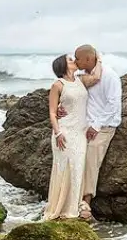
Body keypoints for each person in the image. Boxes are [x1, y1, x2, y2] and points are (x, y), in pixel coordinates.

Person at [58, 44, 122, 220]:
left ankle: (85, 202)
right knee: (72, 153)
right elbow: (66, 93)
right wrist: (58, 107)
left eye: (77, 58)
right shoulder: (82, 77)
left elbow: (113, 104)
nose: (75, 61)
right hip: (83, 124)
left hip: (104, 126)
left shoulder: (109, 76)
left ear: (87, 59)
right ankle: (67, 199)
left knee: (91, 156)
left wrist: (96, 126)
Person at [41, 53, 103, 221]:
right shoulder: (58, 85)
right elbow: (53, 113)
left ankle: (73, 205)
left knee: (78, 168)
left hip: (80, 132)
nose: (74, 61)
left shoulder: (81, 79)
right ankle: (60, 207)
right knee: (65, 168)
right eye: (70, 60)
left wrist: (97, 57)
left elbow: (97, 76)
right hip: (65, 132)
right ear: (63, 66)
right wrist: (58, 132)